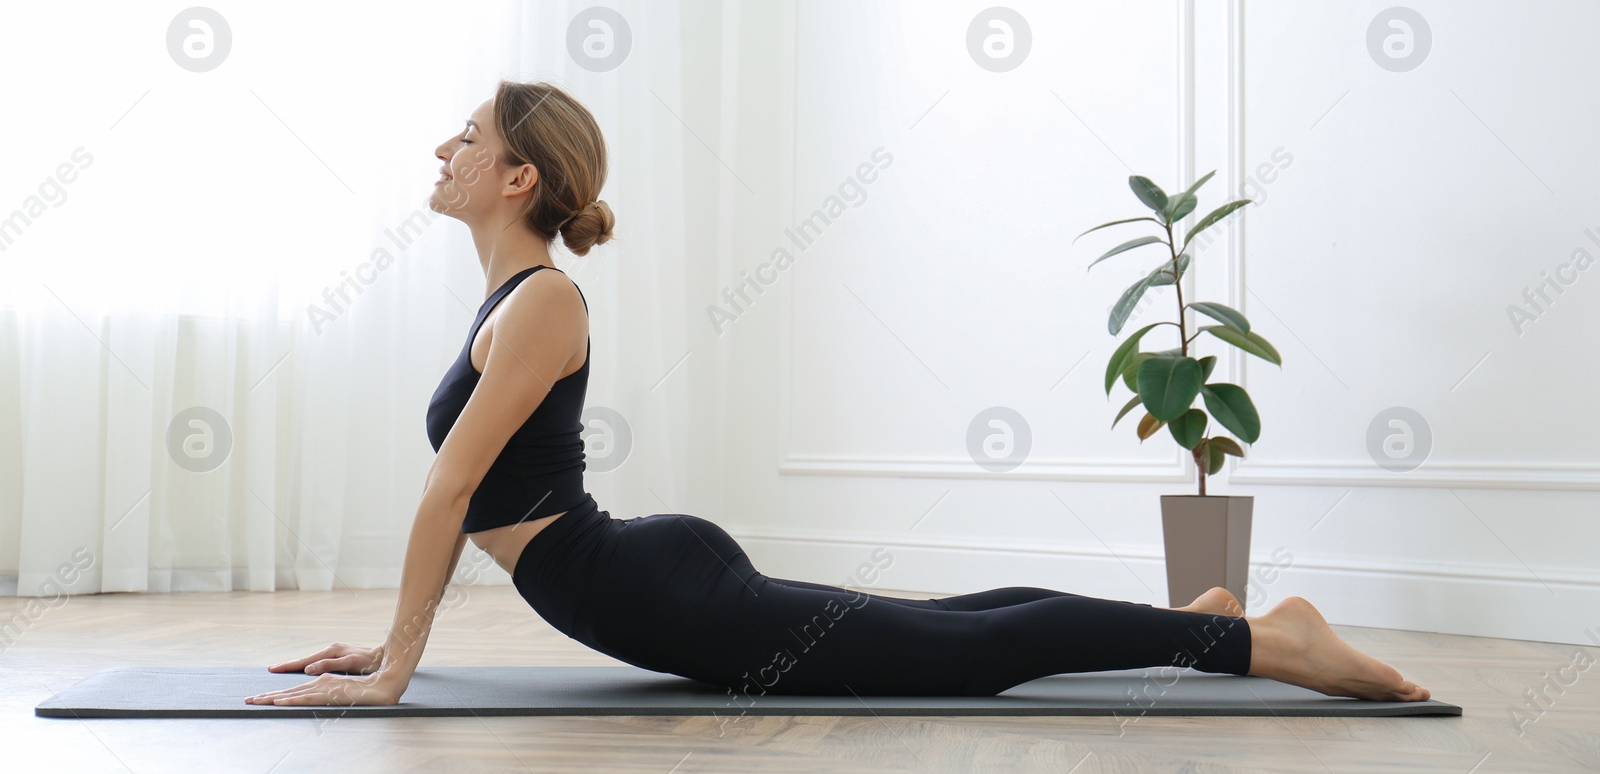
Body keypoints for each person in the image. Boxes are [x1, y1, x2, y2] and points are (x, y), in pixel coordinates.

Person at [246, 80, 1431, 707]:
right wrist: (390, 644)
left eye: (464, 137)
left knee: (961, 656)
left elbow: (451, 487)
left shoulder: (544, 301)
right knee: (950, 621)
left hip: (645, 585)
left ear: (518, 175)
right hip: (638, 575)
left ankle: (1267, 644)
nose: (438, 151)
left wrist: (400, 659)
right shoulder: (512, 300)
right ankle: (1207, 618)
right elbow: (463, 487)